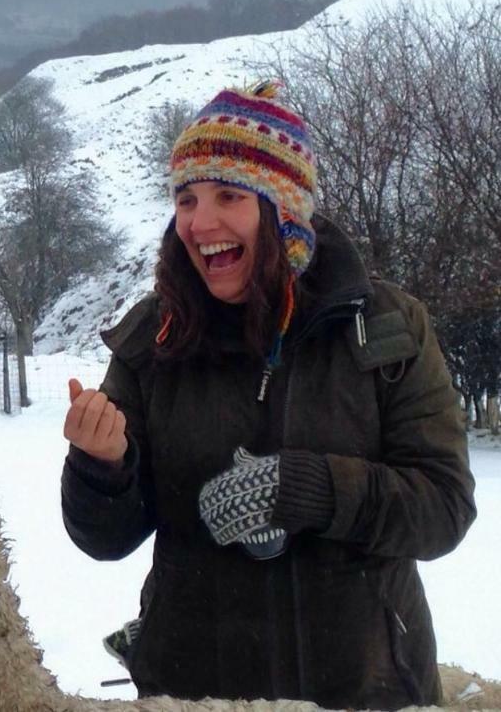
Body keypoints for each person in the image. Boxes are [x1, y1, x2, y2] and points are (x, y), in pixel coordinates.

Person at [59, 81, 475, 710]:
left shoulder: (387, 328)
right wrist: (102, 468)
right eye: (186, 198)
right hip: (192, 691)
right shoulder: (153, 340)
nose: (200, 223)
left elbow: (444, 509)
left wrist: (312, 488)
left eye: (228, 195)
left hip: (366, 689)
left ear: (282, 210)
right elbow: (105, 539)